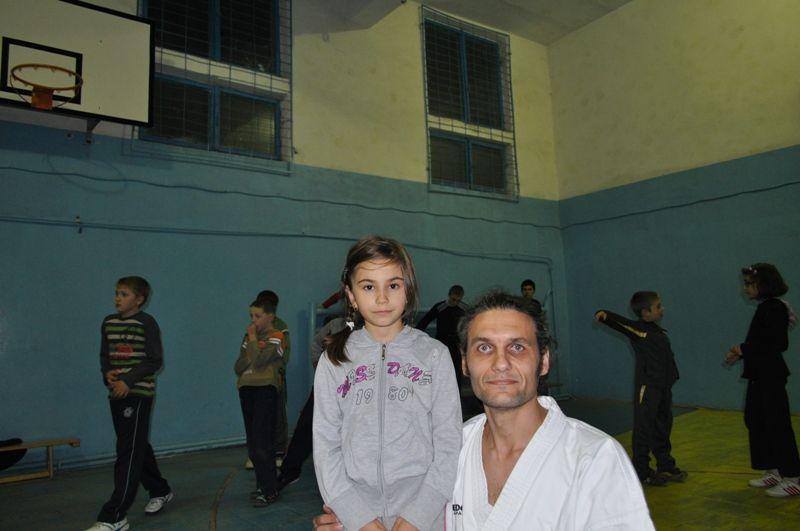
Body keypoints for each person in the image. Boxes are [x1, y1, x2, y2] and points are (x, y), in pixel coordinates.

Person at [314, 291, 653, 530]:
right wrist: (348, 522)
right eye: (484, 348)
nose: (501, 363)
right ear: (464, 363)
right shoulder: (447, 454)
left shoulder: (593, 460)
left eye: (517, 347)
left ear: (544, 361)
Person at [313, 235, 462, 531]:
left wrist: (419, 516)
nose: (382, 298)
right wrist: (358, 518)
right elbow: (326, 445)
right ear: (351, 295)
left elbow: (449, 442)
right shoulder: (334, 360)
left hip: (423, 516)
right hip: (355, 518)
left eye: (393, 285)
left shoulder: (434, 355)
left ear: (408, 290)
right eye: (368, 287)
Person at [85, 276, 173, 531]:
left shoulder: (147, 323)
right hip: (117, 393)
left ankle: (114, 516)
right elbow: (106, 355)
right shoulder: (109, 322)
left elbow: (154, 360)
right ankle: (160, 489)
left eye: (124, 294)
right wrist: (108, 374)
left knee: (128, 450)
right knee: (135, 444)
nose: (117, 298)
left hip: (139, 394)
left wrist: (129, 380)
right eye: (117, 293)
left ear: (139, 299)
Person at [594, 292, 686, 486]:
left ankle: (665, 465)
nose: (662, 309)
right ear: (645, 313)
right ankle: (642, 471)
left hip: (663, 389)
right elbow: (622, 324)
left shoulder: (658, 332)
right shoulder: (639, 331)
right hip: (648, 389)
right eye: (658, 306)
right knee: (644, 428)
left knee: (663, 426)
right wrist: (604, 315)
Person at [724, 263, 800, 497]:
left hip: (771, 376)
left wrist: (744, 349)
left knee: (777, 424)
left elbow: (778, 343)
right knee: (756, 420)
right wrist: (741, 353)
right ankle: (774, 469)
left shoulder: (775, 308)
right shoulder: (765, 307)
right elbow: (760, 340)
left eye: (749, 284)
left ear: (764, 284)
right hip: (759, 375)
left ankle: (793, 477)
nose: (745, 288)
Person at [277, 315, 347, 490]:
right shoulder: (336, 325)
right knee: (307, 425)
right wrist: (319, 366)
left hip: (356, 389)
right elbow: (316, 344)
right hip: (328, 386)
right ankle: (289, 471)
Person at [235, 297, 286, 507]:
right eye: (251, 316)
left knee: (262, 442)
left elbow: (259, 361)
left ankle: (270, 489)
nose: (253, 320)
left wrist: (253, 342)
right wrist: (253, 349)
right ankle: (261, 485)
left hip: (265, 388)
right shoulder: (249, 338)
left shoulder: (277, 336)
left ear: (270, 316)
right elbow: (238, 366)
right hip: (246, 388)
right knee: (253, 444)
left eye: (257, 316)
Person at [256, 290, 291, 462]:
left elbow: (284, 353)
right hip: (257, 380)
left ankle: (279, 451)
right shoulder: (254, 327)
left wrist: (278, 371)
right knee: (258, 416)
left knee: (278, 415)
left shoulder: (280, 327)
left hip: (275, 378)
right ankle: (258, 451)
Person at [416, 285, 467, 388]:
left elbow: (472, 324)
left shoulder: (463, 309)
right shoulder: (440, 307)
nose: (455, 302)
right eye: (453, 299)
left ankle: (457, 393)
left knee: (457, 371)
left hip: (456, 344)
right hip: (441, 342)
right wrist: (415, 335)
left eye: (458, 300)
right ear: (449, 295)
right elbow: (425, 321)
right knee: (440, 369)